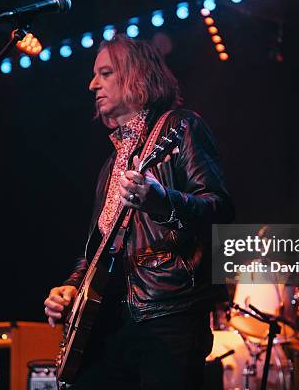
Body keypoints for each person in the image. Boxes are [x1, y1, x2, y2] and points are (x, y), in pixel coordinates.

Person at [43, 35, 234, 389]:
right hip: (109, 320)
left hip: (168, 314)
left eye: (105, 73)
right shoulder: (110, 164)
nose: (92, 84)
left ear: (136, 76)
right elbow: (96, 248)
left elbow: (219, 210)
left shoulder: (181, 127)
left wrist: (161, 202)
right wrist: (70, 288)